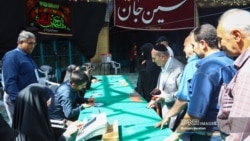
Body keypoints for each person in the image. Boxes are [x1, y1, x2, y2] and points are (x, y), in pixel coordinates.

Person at [166, 24, 236, 141]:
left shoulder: (205, 69)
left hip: (207, 135)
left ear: (203, 44)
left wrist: (175, 135)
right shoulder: (232, 63)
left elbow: (195, 113)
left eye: (193, 45)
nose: (192, 49)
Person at [154, 33, 200, 139]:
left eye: (185, 46)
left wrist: (175, 134)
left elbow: (183, 98)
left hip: (187, 121)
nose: (183, 50)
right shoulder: (162, 67)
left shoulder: (185, 67)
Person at [216, 8, 250, 141]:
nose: (219, 45)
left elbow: (239, 133)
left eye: (221, 39)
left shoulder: (247, 71)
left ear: (237, 35)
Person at [12, 83, 83, 141]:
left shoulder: (31, 119)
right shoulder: (30, 131)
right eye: (46, 100)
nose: (50, 102)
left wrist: (66, 122)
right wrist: (67, 134)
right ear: (36, 103)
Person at [1, 30, 39, 124]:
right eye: (30, 43)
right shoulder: (12, 56)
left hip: (28, 98)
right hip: (18, 99)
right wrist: (19, 102)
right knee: (20, 127)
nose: (33, 46)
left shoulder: (26, 56)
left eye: (34, 43)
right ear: (20, 42)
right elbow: (10, 82)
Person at [147, 44, 184, 130]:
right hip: (164, 112)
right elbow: (159, 88)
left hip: (175, 114)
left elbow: (183, 96)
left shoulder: (178, 69)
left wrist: (165, 96)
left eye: (154, 58)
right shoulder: (162, 66)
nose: (152, 61)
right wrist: (153, 100)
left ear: (162, 57)